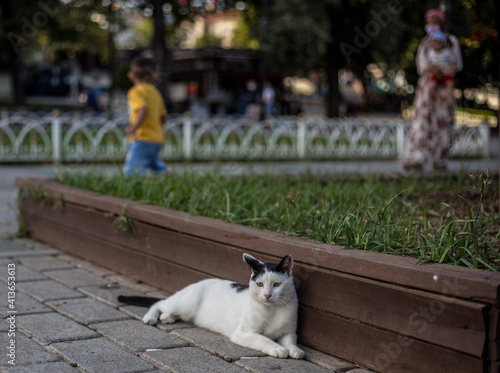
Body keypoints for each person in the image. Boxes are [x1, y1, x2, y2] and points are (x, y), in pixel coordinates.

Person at [402, 9, 462, 172]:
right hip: (428, 87)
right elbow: (421, 67)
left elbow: (457, 64)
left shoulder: (451, 41)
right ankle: (417, 158)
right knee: (423, 121)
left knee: (443, 121)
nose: (431, 27)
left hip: (445, 88)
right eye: (429, 24)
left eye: (434, 23)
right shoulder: (425, 43)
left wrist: (444, 71)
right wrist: (432, 69)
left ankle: (439, 159)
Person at [123, 56, 168, 177]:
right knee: (153, 163)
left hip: (142, 137)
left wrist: (134, 128)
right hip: (157, 139)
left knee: (132, 171)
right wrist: (158, 129)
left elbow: (143, 109)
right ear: (154, 76)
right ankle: (167, 173)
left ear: (131, 75)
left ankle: (133, 187)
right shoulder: (156, 93)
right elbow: (163, 116)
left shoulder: (136, 91)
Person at [427, 30, 456, 105]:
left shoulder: (446, 52)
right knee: (432, 85)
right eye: (434, 42)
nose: (436, 44)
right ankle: (437, 97)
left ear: (442, 43)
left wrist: (452, 70)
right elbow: (429, 63)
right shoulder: (431, 53)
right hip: (435, 73)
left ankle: (449, 97)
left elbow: (453, 62)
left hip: (445, 73)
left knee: (450, 84)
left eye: (438, 42)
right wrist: (431, 69)